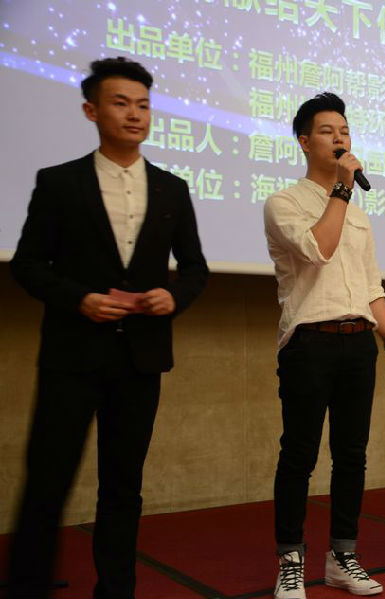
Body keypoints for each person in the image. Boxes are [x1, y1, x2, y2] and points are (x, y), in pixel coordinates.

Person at [7, 57, 209, 598]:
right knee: (48, 481)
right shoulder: (59, 182)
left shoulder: (171, 188)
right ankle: (26, 586)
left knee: (123, 487)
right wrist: (80, 300)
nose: (135, 114)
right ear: (91, 110)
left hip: (140, 359)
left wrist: (174, 296)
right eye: (121, 103)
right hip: (72, 355)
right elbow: (28, 264)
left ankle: (116, 590)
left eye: (143, 105)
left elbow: (195, 269)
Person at [263, 92, 385, 599]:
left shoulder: (360, 216)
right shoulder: (283, 203)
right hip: (309, 344)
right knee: (299, 456)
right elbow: (318, 250)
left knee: (352, 456)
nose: (340, 138)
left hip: (357, 343)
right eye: (328, 131)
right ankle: (290, 562)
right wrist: (342, 190)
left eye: (344, 130)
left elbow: (371, 286)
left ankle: (343, 557)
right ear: (304, 142)